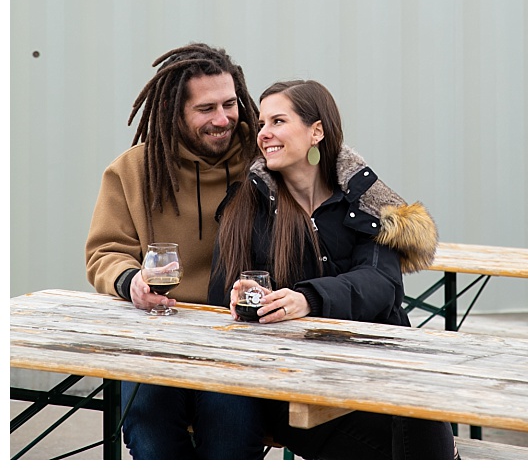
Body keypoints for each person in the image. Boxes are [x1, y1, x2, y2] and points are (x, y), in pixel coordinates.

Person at [209, 79, 457, 459]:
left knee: (418, 410)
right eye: (261, 124)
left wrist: (308, 298)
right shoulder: (248, 204)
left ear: (316, 131)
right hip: (295, 382)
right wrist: (240, 295)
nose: (264, 134)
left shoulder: (365, 204)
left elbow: (381, 283)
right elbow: (222, 289)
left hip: (375, 368)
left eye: (278, 121)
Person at [84, 42, 266, 458]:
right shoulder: (133, 170)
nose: (223, 119)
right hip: (159, 333)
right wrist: (131, 281)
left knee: (231, 417)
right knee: (146, 412)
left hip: (239, 335)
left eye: (230, 103)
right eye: (206, 109)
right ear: (173, 113)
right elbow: (105, 252)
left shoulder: (265, 161)